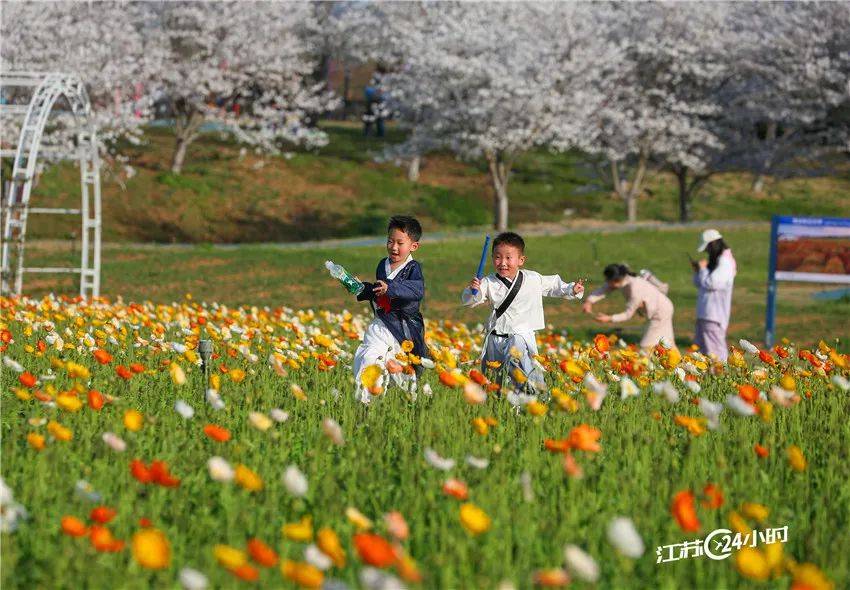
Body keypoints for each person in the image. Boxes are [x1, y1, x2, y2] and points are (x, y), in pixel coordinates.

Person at [461, 232, 584, 394]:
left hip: (519, 337)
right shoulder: (488, 282)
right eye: (497, 257)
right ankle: (495, 406)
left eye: (508, 258)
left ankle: (531, 400)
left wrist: (571, 289)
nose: (502, 263)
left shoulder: (532, 278)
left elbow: (553, 285)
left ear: (521, 260)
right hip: (495, 338)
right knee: (492, 380)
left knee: (521, 370)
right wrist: (473, 290)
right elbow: (470, 301)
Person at [352, 216, 428, 402]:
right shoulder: (382, 264)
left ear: (413, 246)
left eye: (400, 243)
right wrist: (362, 288)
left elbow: (417, 290)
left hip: (404, 330)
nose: (393, 247)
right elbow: (379, 290)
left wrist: (391, 288)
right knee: (370, 359)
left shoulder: (413, 268)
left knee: (402, 375)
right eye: (390, 241)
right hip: (381, 324)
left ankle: (404, 407)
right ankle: (366, 403)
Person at [583, 264, 676, 351]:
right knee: (669, 343)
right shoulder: (622, 280)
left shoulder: (635, 288)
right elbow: (604, 289)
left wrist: (609, 318)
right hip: (664, 307)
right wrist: (589, 301)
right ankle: (680, 364)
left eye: (608, 280)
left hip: (661, 312)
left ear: (616, 280)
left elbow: (628, 315)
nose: (606, 283)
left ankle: (643, 366)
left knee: (646, 346)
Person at [692, 229, 736, 362]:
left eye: (707, 248)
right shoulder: (717, 262)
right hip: (706, 314)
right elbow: (701, 283)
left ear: (713, 244)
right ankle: (704, 380)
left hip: (713, 315)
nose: (706, 252)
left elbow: (712, 283)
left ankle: (718, 377)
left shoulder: (725, 262)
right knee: (702, 353)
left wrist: (704, 269)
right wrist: (698, 271)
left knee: (715, 354)